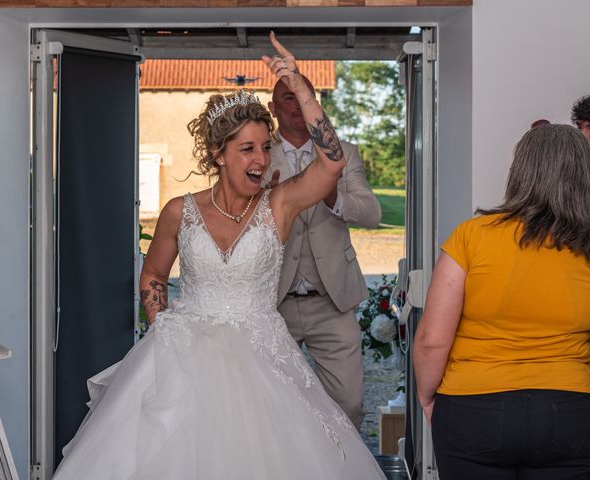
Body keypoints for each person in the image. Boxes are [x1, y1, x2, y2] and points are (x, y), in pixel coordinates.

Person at [52, 33, 386, 479]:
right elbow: (153, 274)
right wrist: (163, 326)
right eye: (248, 149)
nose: (262, 159)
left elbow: (331, 163)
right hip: (182, 355)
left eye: (266, 147)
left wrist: (301, 88)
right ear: (219, 154)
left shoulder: (279, 203)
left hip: (262, 355)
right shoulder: (180, 211)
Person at [413, 124, 590, 479]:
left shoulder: (472, 237)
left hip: (472, 409)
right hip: (573, 411)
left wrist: (427, 396)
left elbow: (432, 339)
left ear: (520, 171)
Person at [264, 76, 381, 430]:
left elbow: (372, 213)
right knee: (269, 404)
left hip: (332, 300)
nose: (298, 105)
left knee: (350, 403)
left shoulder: (342, 153)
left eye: (305, 98)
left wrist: (335, 198)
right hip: (272, 301)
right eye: (288, 98)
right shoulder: (257, 152)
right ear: (273, 109)